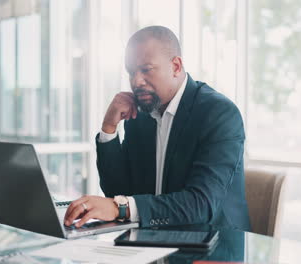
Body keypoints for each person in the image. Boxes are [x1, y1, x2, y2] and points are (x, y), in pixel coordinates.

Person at [64, 25, 251, 231]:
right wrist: (109, 129)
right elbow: (118, 193)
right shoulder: (141, 114)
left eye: (146, 70)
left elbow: (201, 204)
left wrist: (121, 208)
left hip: (212, 250)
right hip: (154, 242)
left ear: (176, 66)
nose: (136, 81)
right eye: (131, 72)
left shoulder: (219, 114)